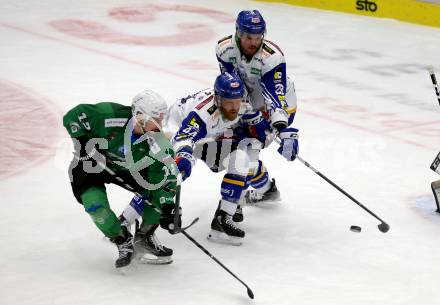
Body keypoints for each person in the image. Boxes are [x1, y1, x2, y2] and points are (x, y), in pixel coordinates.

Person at [122, 72, 254, 245]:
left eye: (238, 100)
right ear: (218, 99)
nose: (235, 106)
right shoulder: (202, 113)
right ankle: (125, 220)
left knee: (241, 159)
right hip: (176, 132)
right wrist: (184, 156)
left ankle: (223, 220)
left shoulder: (241, 104)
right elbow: (184, 137)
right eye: (230, 102)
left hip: (207, 138)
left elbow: (257, 123)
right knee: (170, 177)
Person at [63, 90, 180, 268]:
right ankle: (121, 239)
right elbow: (72, 116)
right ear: (139, 116)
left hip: (128, 169)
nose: (160, 124)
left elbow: (162, 180)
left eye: (162, 118)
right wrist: (82, 144)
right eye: (157, 118)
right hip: (90, 164)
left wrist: (167, 208)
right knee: (95, 207)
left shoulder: (159, 143)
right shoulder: (108, 115)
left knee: (160, 195)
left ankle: (145, 237)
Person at [215, 10, 299, 205]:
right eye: (248, 37)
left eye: (258, 37)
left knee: (246, 151)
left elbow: (275, 97)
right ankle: (266, 190)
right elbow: (233, 85)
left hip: (277, 107)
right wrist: (242, 110)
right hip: (247, 104)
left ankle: (236, 204)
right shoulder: (224, 49)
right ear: (238, 32)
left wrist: (283, 129)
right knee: (238, 150)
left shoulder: (272, 57)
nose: (254, 42)